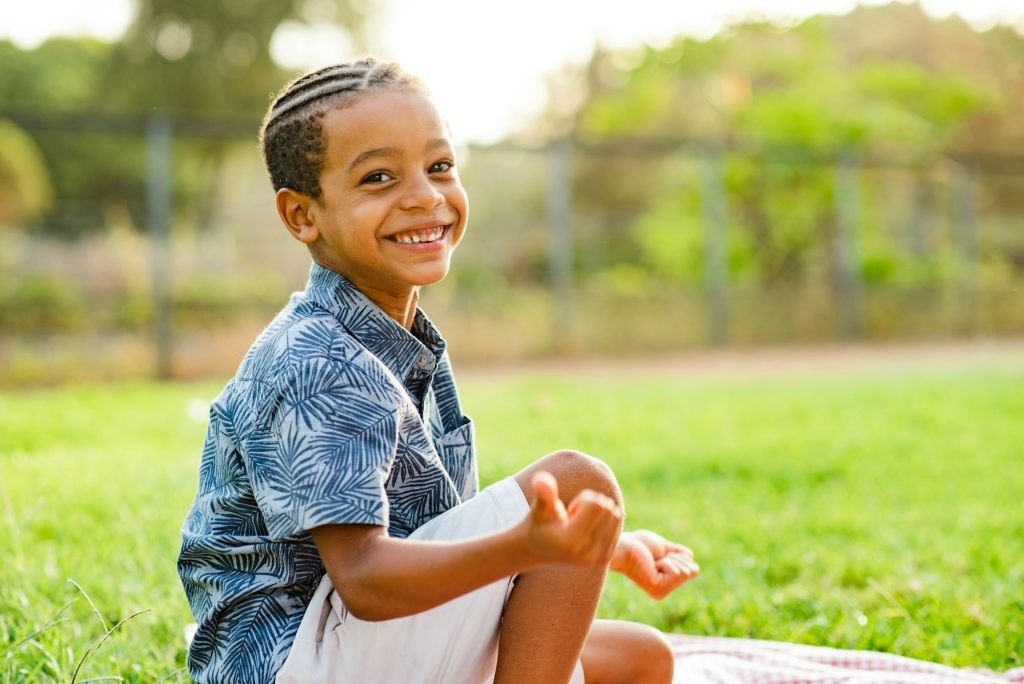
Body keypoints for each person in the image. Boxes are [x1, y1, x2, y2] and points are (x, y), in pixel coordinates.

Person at [177, 57, 700, 684]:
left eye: (439, 167)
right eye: (378, 177)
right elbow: (366, 580)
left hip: (366, 644)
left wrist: (595, 549)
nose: (425, 195)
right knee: (576, 479)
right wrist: (523, 548)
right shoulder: (317, 358)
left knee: (643, 659)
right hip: (302, 660)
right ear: (302, 215)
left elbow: (423, 535)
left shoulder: (398, 341)